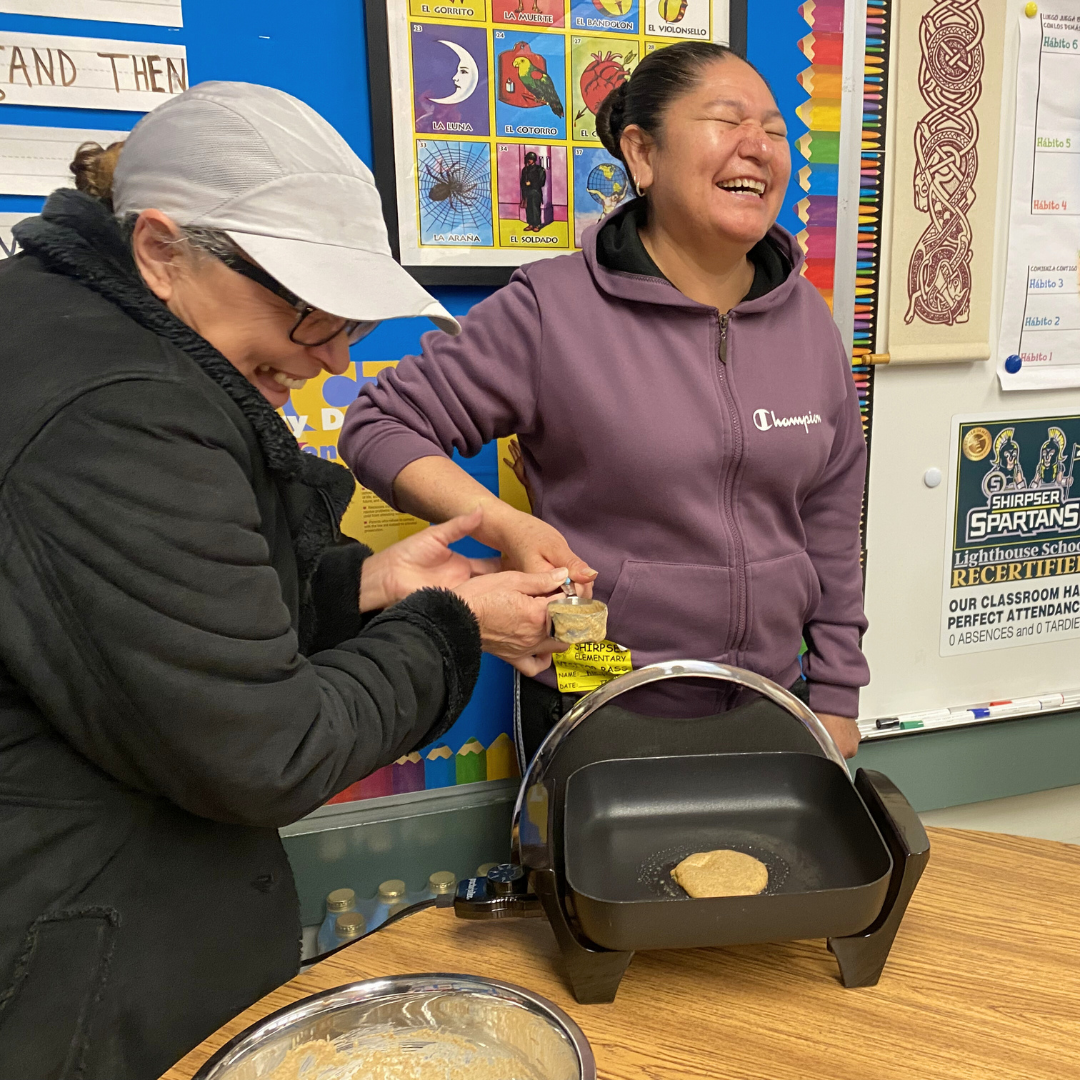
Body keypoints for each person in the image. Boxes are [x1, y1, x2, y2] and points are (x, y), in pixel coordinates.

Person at [0, 82, 565, 1080]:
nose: (334, 359)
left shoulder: (68, 332)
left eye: (347, 323)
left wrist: (363, 587)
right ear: (163, 253)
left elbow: (135, 623)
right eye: (311, 315)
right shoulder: (119, 409)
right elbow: (262, 748)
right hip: (65, 982)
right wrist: (451, 628)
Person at [340, 42, 870, 762]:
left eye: (775, 131)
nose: (758, 147)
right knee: (605, 873)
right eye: (726, 120)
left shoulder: (807, 319)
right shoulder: (552, 308)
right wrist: (499, 524)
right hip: (600, 690)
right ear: (641, 154)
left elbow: (831, 523)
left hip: (774, 698)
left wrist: (836, 695)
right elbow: (380, 423)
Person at [520, 151, 546, 232]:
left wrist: (531, 183)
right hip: (527, 192)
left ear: (534, 160)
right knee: (529, 209)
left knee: (535, 209)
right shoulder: (525, 170)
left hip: (535, 192)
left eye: (531, 159)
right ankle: (531, 224)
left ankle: (537, 224)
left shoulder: (540, 169)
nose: (529, 161)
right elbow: (522, 182)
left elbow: (541, 182)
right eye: (528, 159)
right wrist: (524, 189)